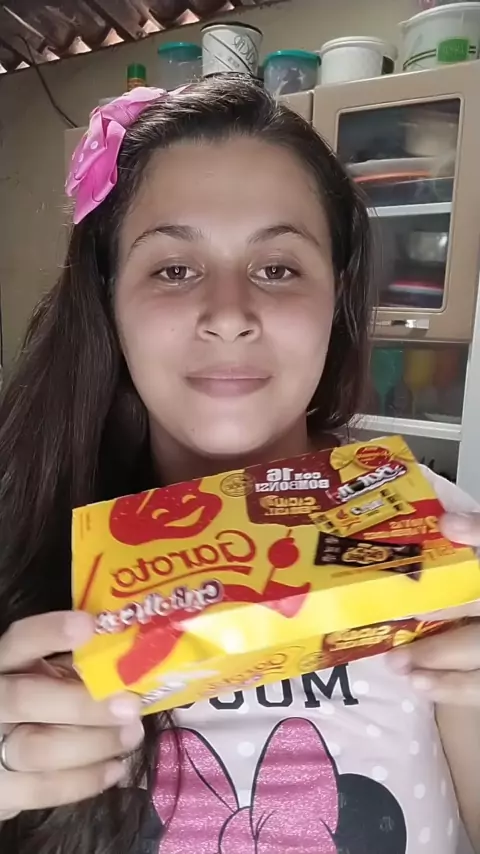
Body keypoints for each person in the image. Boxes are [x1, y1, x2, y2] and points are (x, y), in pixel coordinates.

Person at [0, 76, 478, 854]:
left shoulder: (441, 536)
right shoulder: (24, 535)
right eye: (174, 269)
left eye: (278, 268)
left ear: (336, 297)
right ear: (110, 300)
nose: (229, 314)